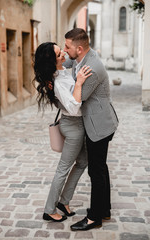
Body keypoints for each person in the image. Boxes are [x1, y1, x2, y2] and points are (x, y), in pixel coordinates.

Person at [62, 28, 119, 231]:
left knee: (96, 171)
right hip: (100, 120)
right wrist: (57, 55)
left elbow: (77, 98)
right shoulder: (82, 56)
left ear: (79, 48)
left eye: (67, 47)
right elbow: (66, 62)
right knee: (100, 168)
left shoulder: (92, 67)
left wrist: (71, 84)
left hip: (99, 125)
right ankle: (104, 210)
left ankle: (95, 217)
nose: (65, 50)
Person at [33, 42, 92, 222]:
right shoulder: (57, 82)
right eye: (59, 54)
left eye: (62, 50)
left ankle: (63, 202)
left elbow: (72, 59)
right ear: (53, 62)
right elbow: (74, 108)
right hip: (73, 125)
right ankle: (49, 209)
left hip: (75, 124)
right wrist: (80, 83)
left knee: (82, 162)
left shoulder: (61, 71)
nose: (64, 55)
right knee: (63, 169)